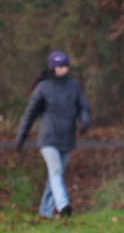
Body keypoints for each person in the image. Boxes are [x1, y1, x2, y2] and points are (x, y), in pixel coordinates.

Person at [15, 51, 91, 218]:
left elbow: (83, 106)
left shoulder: (74, 85)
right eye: (60, 66)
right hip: (48, 139)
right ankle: (63, 205)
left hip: (67, 138)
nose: (63, 69)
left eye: (66, 66)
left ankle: (45, 211)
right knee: (56, 171)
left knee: (54, 175)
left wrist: (84, 121)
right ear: (53, 68)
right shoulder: (43, 88)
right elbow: (30, 114)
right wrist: (21, 137)